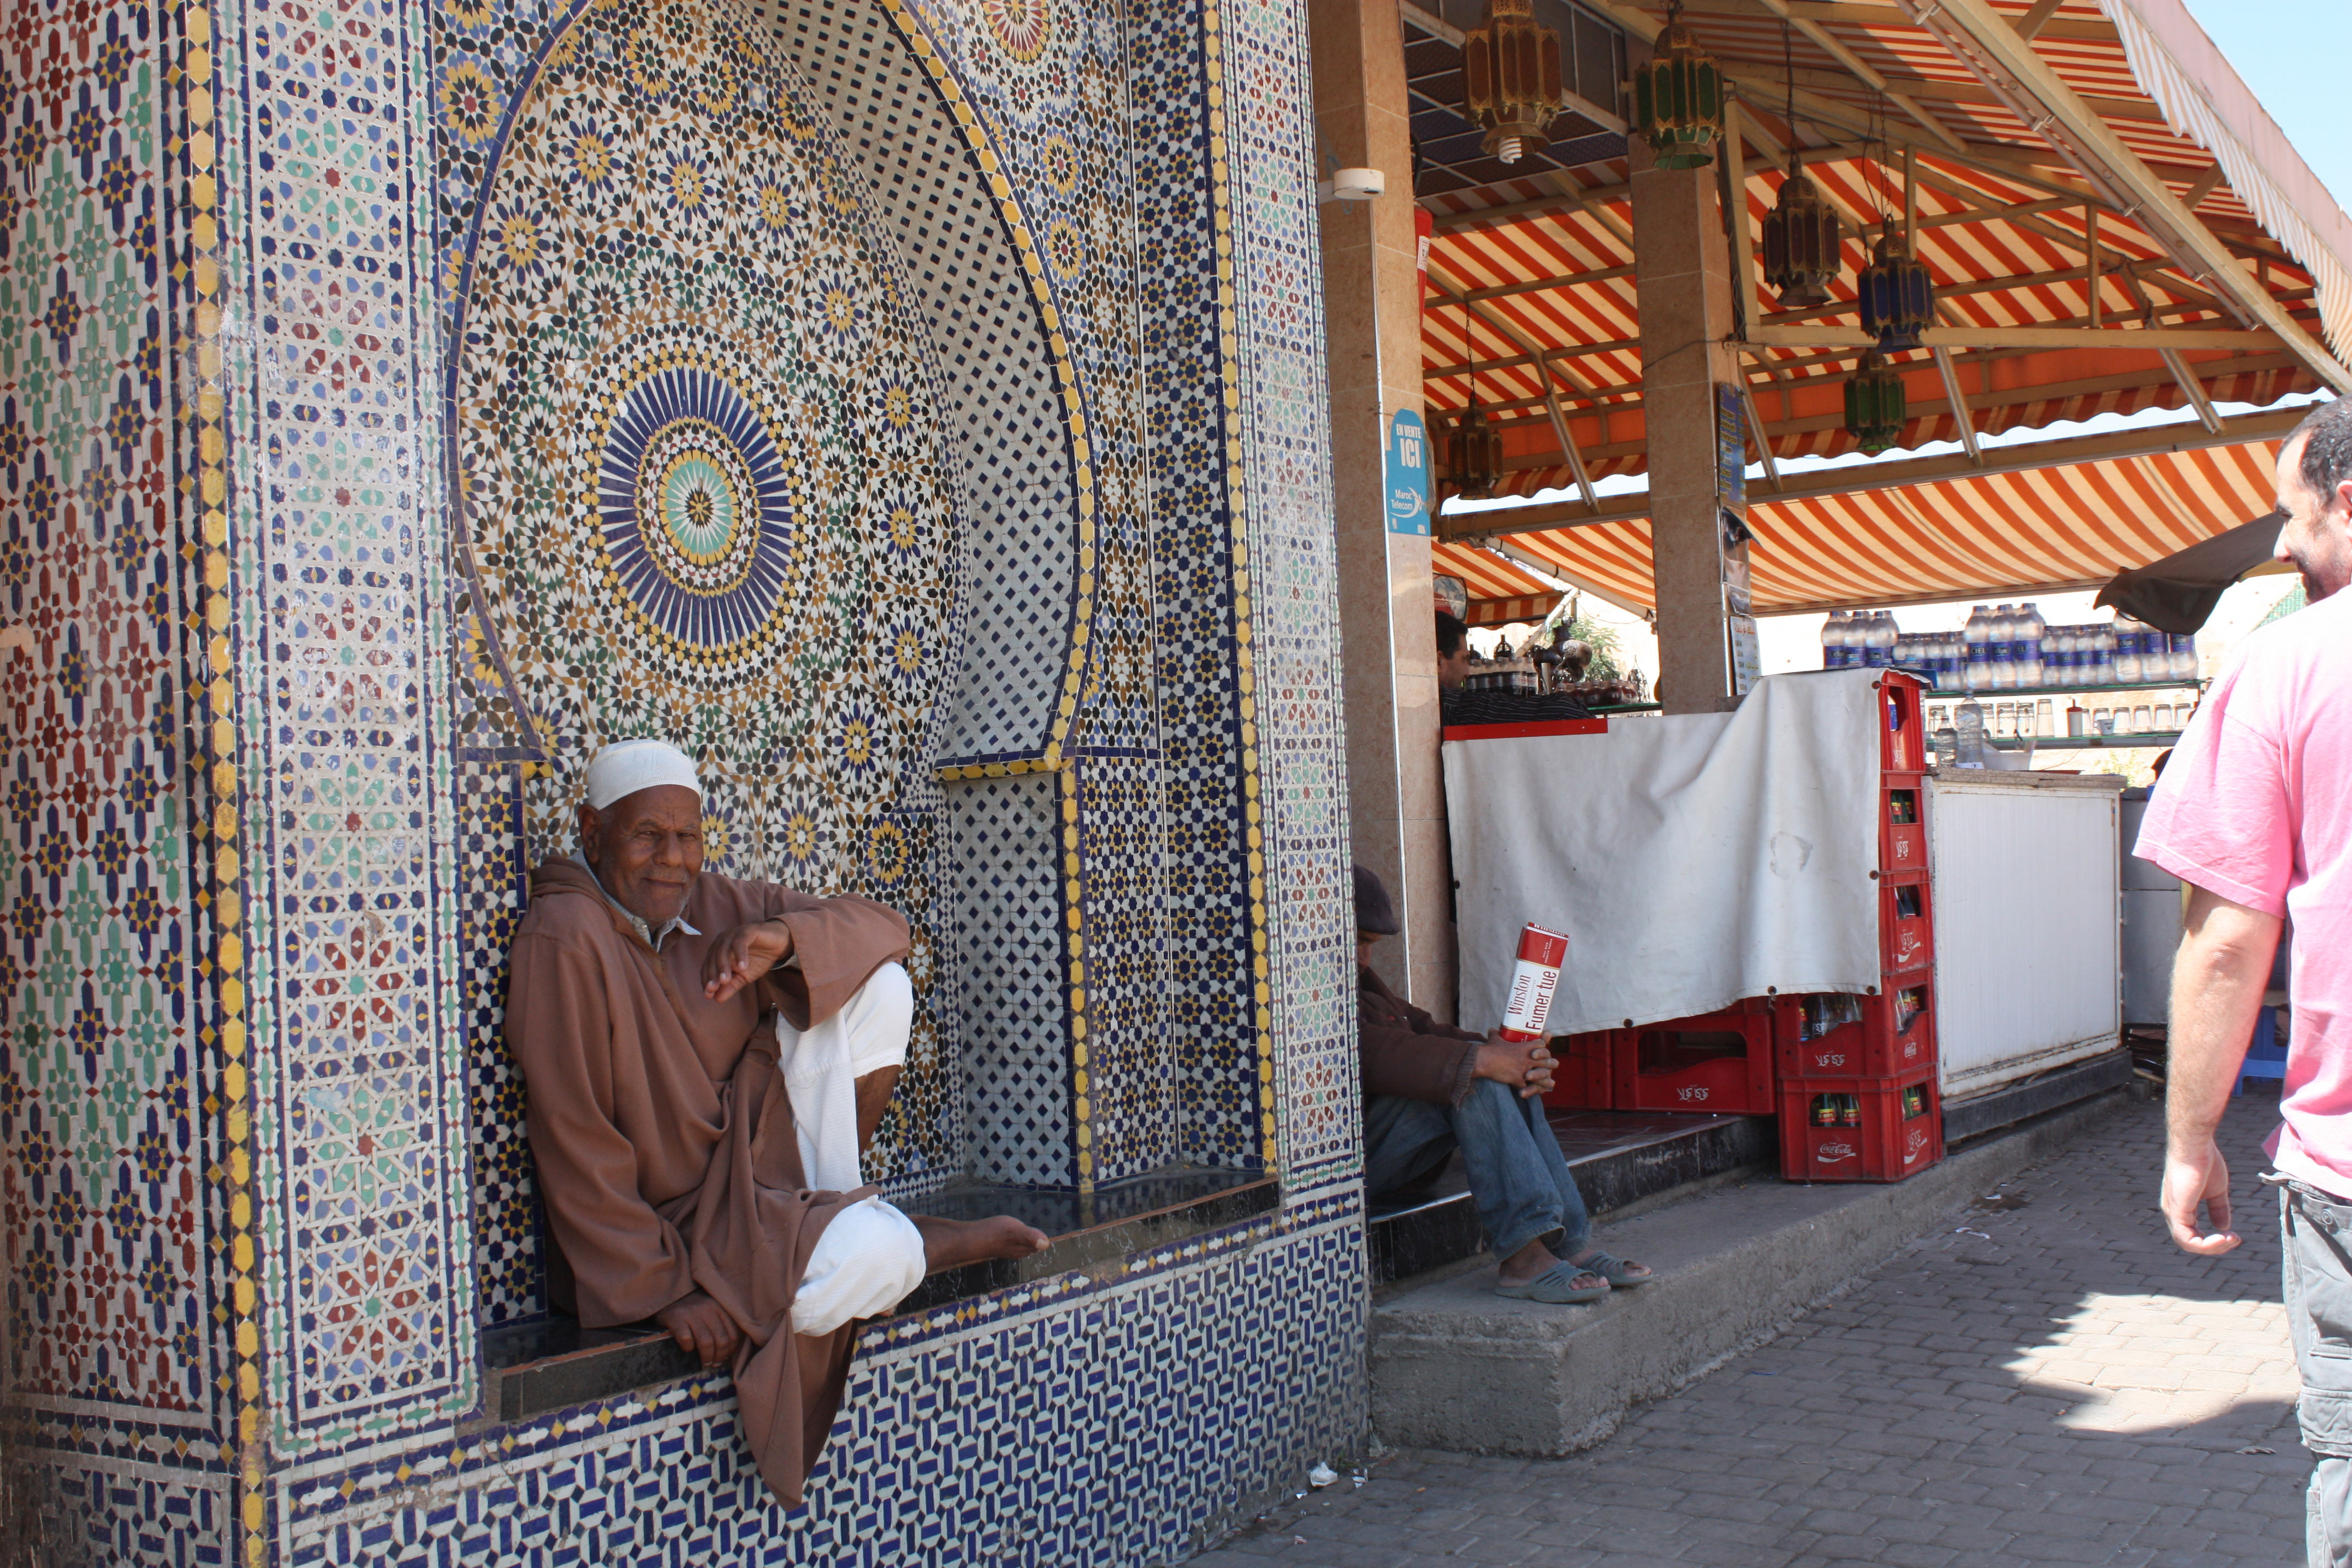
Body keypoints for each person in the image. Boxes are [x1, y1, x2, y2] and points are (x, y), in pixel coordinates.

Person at [507, 739, 1049, 1505]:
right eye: (645, 836)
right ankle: (910, 1241)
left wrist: (784, 941)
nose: (671, 860)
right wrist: (659, 1290)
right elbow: (572, 1138)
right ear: (592, 833)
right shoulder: (566, 935)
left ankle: (830, 1223)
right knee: (871, 1256)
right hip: (673, 1230)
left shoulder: (717, 903)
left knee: (881, 987)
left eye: (687, 837)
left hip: (754, 1182)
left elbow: (882, 925)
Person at [2137, 395, 2352, 1565]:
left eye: (2295, 513)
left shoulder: (2285, 667)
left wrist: (2190, 1139)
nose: (2283, 543)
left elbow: (2227, 942)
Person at [1352, 863, 1653, 1303]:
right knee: (1475, 1075)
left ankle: (1566, 1243)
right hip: (1336, 1172)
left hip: (1385, 1155)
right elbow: (1369, 1051)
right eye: (1357, 941)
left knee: (1493, 1071)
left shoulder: (1364, 986)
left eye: (1371, 945)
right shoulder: (1296, 991)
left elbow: (1424, 1031)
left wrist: (1514, 1057)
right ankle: (1524, 1257)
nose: (1364, 958)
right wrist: (1485, 1061)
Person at [1436, 611, 1597, 728]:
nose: (1467, 672)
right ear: (1439, 661)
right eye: (1464, 659)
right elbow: (1562, 712)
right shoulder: (1451, 708)